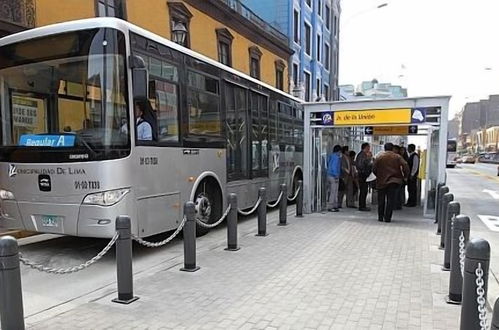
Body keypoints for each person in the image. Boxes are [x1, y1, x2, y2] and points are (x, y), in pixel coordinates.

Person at [373, 143, 409, 223]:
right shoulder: (397, 157)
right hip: (394, 181)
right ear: (392, 148)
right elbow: (405, 165)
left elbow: (374, 168)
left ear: (384, 148)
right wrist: (405, 176)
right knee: (390, 200)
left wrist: (379, 175)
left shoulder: (379, 157)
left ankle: (380, 217)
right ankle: (387, 218)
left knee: (381, 199)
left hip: (381, 181)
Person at [355, 142, 373, 211]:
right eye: (368, 147)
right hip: (362, 175)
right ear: (365, 148)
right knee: (363, 191)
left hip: (365, 175)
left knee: (364, 191)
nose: (369, 149)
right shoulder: (361, 155)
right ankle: (362, 206)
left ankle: (363, 205)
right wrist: (369, 159)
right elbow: (361, 165)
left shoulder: (363, 155)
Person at [327, 145, 342, 212]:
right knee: (334, 192)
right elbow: (334, 167)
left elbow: (328, 164)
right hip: (334, 176)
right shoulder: (336, 157)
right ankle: (331, 206)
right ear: (338, 151)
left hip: (329, 175)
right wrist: (336, 175)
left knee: (333, 191)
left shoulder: (331, 156)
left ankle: (334, 205)